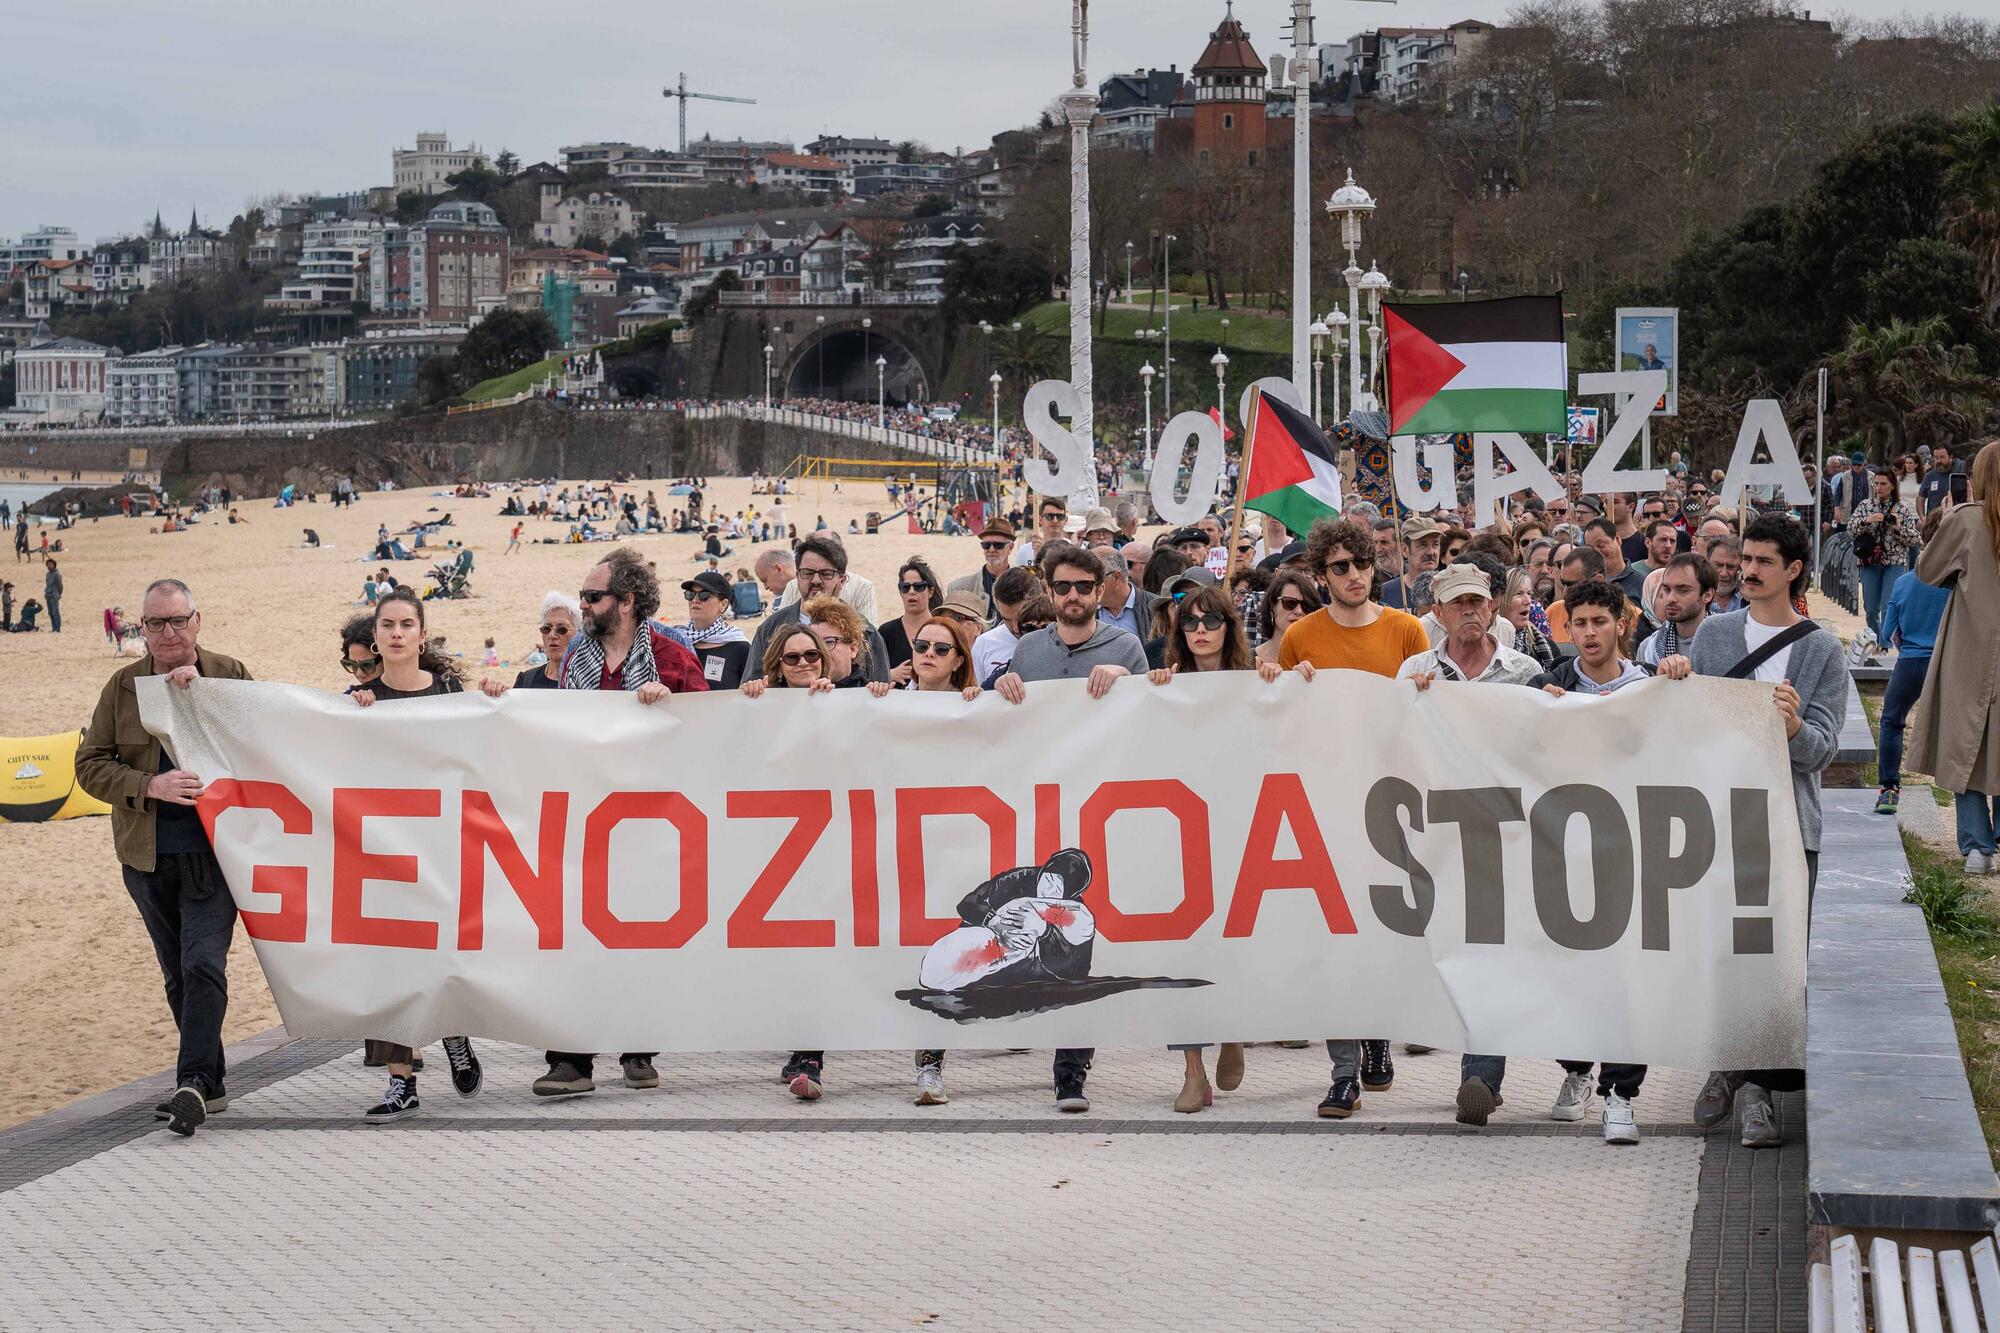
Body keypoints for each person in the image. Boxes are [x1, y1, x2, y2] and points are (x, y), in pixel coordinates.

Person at [1671, 512, 1844, 1149]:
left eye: (1763, 561)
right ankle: (1728, 1062)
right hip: (1718, 817)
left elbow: (1823, 752)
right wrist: (1676, 685)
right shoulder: (1714, 635)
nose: (1746, 571)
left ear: (1794, 570)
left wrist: (1794, 729)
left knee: (1779, 963)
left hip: (1786, 825)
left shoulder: (1821, 648)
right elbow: (1689, 730)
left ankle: (1759, 1093)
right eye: (1744, 559)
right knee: (1721, 952)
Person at [75, 579, 252, 1137]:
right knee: (178, 974)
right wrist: (150, 784)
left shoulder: (228, 673)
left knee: (204, 963)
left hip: (218, 852)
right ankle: (213, 1081)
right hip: (147, 856)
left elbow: (265, 744)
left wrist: (202, 700)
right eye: (155, 624)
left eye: (177, 621)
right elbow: (89, 765)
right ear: (141, 629)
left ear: (198, 621)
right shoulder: (122, 686)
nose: (167, 633)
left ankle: (193, 1083)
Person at [535, 548, 706, 1098]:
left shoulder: (672, 658)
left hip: (651, 823)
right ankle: (570, 1060)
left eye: (593, 596)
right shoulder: (577, 657)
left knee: (640, 935)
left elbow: (710, 731)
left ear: (627, 601)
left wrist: (668, 709)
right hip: (585, 818)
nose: (583, 606)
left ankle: (638, 1048)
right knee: (575, 941)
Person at [1276, 518, 1429, 1118]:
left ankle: (1377, 1028)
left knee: (1386, 931)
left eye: (1361, 563)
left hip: (1392, 805)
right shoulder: (1301, 638)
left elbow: (1431, 711)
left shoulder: (1407, 629)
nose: (1354, 575)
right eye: (1340, 567)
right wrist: (1284, 684)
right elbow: (1282, 720)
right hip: (1326, 804)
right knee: (1334, 938)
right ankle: (1343, 1075)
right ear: (1322, 576)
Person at [992, 546, 1149, 1113]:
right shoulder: (1029, 649)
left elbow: (1153, 717)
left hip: (1100, 810)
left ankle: (1072, 1066)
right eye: (1063, 587)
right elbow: (997, 725)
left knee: (1079, 935)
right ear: (1049, 591)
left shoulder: (1126, 646)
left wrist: (1129, 680)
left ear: (1101, 587)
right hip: (1038, 808)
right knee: (1042, 929)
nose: (1074, 596)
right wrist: (1002, 691)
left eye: (1084, 586)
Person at [345, 590, 485, 1120]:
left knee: (443, 955)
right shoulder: (358, 700)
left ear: (422, 634)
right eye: (387, 625)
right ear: (375, 636)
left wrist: (491, 697)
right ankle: (400, 1081)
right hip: (384, 852)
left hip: (445, 845)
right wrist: (350, 716)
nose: (397, 633)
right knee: (389, 963)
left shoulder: (450, 692)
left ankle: (452, 1035)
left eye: (407, 624)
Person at [1143, 583, 1257, 1113]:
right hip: (1180, 836)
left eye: (1211, 620)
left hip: (1238, 831)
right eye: (1190, 623)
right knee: (1180, 949)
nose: (1201, 631)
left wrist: (1286, 684)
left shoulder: (1254, 683)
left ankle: (1233, 1026)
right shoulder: (1166, 686)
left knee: (1231, 944)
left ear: (1229, 627)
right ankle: (1192, 1069)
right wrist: (1144, 688)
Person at [863, 615, 984, 1105]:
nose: (929, 654)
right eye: (921, 645)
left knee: (942, 959)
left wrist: (991, 703)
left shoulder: (977, 707)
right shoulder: (883, 701)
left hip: (954, 849)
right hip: (892, 845)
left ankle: (930, 1065)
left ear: (959, 661)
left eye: (941, 648)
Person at [1910, 439, 2000, 873]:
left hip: (1970, 648)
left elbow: (1927, 571)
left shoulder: (1967, 520)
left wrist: (1945, 519)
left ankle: (1977, 847)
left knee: (1963, 741)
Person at [1875, 510, 1951, 816]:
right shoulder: (1957, 583)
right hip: (1947, 662)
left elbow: (1886, 632)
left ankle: (1889, 788)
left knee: (1892, 721)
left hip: (1911, 661)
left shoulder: (1905, 583)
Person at [748, 535, 890, 681]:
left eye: (826, 574)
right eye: (807, 573)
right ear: (797, 577)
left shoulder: (865, 632)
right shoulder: (770, 629)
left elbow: (879, 692)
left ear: (841, 580)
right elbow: (752, 687)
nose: (815, 580)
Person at [1396, 564, 1542, 686]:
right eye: (1457, 602)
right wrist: (1406, 696)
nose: (1468, 610)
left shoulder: (1525, 671)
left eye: (1476, 600)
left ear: (1490, 607)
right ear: (1438, 613)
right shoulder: (1416, 668)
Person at [1848, 467, 1922, 640]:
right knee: (1871, 608)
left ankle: (1884, 643)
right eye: (1876, 483)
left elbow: (1915, 539)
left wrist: (1897, 527)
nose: (1879, 487)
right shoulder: (1865, 506)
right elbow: (1851, 530)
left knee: (1888, 606)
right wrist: (1866, 521)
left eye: (1883, 484)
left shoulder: (1902, 510)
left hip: (1894, 562)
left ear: (1892, 486)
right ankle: (1876, 637)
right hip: (1870, 561)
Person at [1636, 552, 1715, 668]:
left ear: (1707, 595)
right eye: (1667, 590)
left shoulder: (1726, 642)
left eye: (1683, 590)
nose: (1671, 599)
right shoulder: (1648, 648)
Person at [971, 565, 1041, 686]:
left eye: (1021, 619)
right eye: (1007, 620)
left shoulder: (1059, 636)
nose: (1015, 628)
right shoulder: (984, 643)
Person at [680, 570, 750, 689]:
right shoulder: (675, 641)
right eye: (690, 594)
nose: (695, 600)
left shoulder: (739, 647)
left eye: (704, 595)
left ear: (723, 604)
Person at [881, 556, 944, 682]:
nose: (911, 592)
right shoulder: (886, 632)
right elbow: (871, 673)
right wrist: (890, 675)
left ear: (930, 592)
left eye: (918, 587)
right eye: (905, 587)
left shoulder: (945, 629)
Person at [947, 517, 1017, 620]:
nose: (991, 550)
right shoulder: (959, 588)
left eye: (998, 545)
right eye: (986, 545)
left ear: (1010, 548)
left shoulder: (1023, 586)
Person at [1254, 570, 1323, 669]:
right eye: (1289, 603)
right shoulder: (1246, 661)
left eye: (1306, 606)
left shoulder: (1322, 661)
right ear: (1272, 607)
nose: (1299, 611)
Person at [803, 596, 872, 688]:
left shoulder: (870, 694)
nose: (821, 650)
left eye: (828, 642)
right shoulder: (800, 694)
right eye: (814, 644)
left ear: (852, 649)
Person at [1380, 517, 1442, 610]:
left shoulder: (1450, 588)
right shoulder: (1386, 592)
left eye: (1435, 544)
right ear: (1404, 549)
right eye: (1422, 545)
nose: (1431, 552)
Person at [1094, 548, 1156, 641]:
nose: (1089, 587)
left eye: (1095, 580)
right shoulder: (1085, 609)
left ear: (1116, 577)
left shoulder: (1155, 607)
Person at [1920, 444, 1955, 514]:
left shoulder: (1957, 474)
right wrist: (1922, 517)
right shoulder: (1929, 476)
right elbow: (1920, 498)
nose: (1938, 461)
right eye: (1936, 458)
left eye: (1942, 457)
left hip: (1953, 518)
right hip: (1933, 520)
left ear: (1950, 457)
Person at [44, 556, 62, 633]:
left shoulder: (57, 574)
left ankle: (57, 628)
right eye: (48, 564)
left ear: (54, 565)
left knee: (55, 612)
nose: (49, 566)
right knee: (50, 613)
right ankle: (53, 627)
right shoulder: (48, 574)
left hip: (54, 595)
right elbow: (47, 584)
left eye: (51, 564)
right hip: (48, 595)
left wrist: (58, 594)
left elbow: (60, 585)